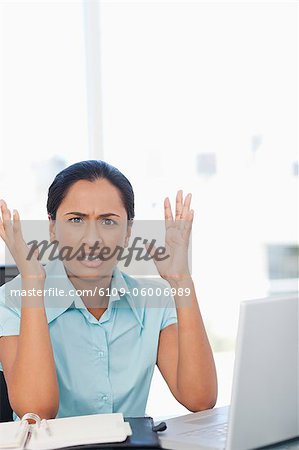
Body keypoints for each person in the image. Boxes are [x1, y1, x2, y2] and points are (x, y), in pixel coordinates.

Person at [0, 160, 217, 421]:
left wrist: (181, 280)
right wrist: (33, 282)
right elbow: (37, 412)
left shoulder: (153, 302)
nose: (92, 239)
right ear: (52, 227)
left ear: (128, 232)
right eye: (76, 219)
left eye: (109, 222)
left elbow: (200, 399)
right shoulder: (12, 300)